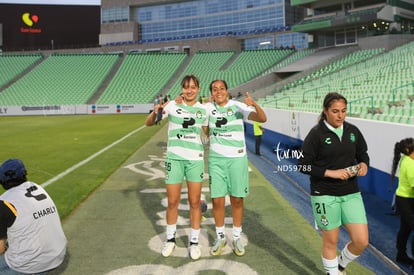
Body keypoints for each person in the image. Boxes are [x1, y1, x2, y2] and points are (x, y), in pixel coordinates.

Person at [297, 92, 370, 275]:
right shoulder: (315, 134)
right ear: (325, 111)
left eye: (344, 111)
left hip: (351, 194)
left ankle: (339, 266)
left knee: (361, 241)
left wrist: (363, 165)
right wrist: (332, 173)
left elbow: (363, 154)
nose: (340, 116)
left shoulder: (353, 131)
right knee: (330, 242)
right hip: (325, 194)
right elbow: (303, 166)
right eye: (335, 111)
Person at [145, 74, 208, 260]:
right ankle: (170, 239)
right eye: (186, 87)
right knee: (172, 202)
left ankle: (194, 242)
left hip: (195, 160)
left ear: (198, 89)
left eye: (193, 87)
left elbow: (209, 132)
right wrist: (155, 110)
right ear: (182, 88)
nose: (189, 90)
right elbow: (149, 123)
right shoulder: (172, 105)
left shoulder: (203, 110)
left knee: (195, 202)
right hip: (174, 159)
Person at [205, 79, 266, 257]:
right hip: (216, 159)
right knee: (217, 200)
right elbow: (202, 130)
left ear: (227, 90)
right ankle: (221, 236)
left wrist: (253, 103)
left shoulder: (238, 107)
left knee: (237, 199)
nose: (218, 92)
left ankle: (237, 237)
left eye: (221, 88)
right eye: (215, 89)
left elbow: (262, 118)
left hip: (237, 159)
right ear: (211, 93)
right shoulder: (207, 109)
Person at [0, 158, 67, 274]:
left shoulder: (4, 202)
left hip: (30, 264)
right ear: (24, 174)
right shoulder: (38, 188)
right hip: (57, 255)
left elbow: (0, 248)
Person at [390, 138, 414, 266]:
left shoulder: (406, 159)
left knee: (405, 228)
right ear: (408, 150)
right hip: (406, 201)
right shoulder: (410, 164)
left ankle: (401, 255)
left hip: (404, 199)